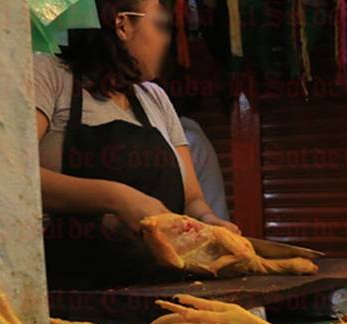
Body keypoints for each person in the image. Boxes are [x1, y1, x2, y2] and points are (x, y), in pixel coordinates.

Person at [35, 0, 236, 289]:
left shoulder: (155, 98)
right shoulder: (49, 75)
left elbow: (192, 198)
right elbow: (14, 177)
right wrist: (116, 197)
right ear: (123, 25)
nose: (166, 38)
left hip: (166, 292)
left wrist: (208, 222)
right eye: (161, 25)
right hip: (76, 298)